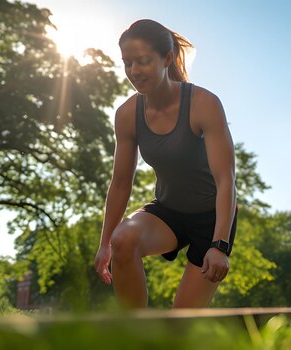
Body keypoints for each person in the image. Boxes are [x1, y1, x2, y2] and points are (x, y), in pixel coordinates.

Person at [93, 19, 237, 309]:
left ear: (167, 58)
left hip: (212, 220)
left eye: (143, 61)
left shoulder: (203, 104)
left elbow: (226, 180)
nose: (133, 71)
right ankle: (136, 336)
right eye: (127, 63)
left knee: (178, 328)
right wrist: (105, 243)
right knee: (123, 240)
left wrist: (219, 245)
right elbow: (121, 183)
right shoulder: (126, 115)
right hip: (167, 211)